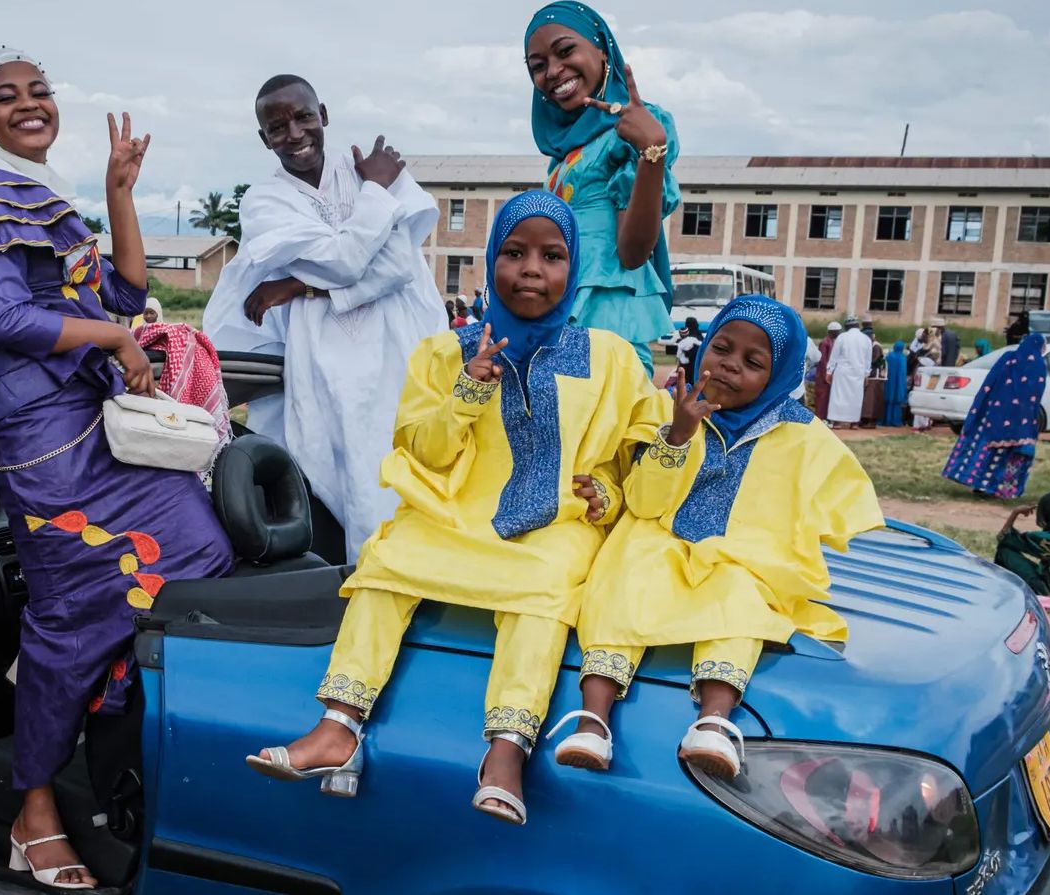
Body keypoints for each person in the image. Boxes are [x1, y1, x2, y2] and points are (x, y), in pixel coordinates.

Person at [246, 191, 663, 825]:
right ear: (491, 260)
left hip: (553, 528)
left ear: (573, 268)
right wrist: (469, 388)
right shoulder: (445, 352)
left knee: (546, 591)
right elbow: (425, 453)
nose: (531, 269)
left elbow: (626, 460)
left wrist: (603, 494)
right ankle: (338, 726)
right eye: (516, 253)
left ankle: (505, 751)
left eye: (552, 256)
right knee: (387, 561)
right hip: (454, 519)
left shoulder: (609, 360)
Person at [0, 47, 234, 888]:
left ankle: (100, 699)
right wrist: (116, 339)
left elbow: (125, 296)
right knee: (68, 611)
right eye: (5, 95)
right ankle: (34, 812)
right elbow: (6, 318)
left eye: (39, 91)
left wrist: (118, 193)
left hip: (88, 425)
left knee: (197, 550)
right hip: (44, 438)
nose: (29, 105)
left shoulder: (45, 198)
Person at [553, 293, 881, 779]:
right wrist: (678, 434)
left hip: (738, 558)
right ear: (703, 345)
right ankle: (593, 721)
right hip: (657, 539)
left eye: (752, 362)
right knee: (620, 584)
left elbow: (834, 495)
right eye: (722, 348)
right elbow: (643, 503)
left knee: (742, 604)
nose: (729, 367)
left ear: (780, 376)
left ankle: (713, 723)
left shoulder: (801, 435)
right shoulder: (668, 408)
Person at [201, 73, 446, 563]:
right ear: (263, 138)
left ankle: (418, 589)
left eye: (303, 116)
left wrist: (299, 285)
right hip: (324, 362)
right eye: (277, 126)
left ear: (324, 115)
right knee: (347, 482)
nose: (294, 133)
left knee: (411, 469)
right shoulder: (264, 201)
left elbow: (397, 267)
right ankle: (363, 597)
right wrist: (377, 194)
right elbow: (347, 262)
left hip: (397, 349)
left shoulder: (363, 170)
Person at [525, 1, 678, 375]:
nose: (554, 71)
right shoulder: (565, 155)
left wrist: (651, 153)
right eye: (538, 66)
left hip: (606, 323)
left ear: (602, 49)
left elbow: (632, 252)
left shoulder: (634, 129)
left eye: (565, 51)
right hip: (559, 312)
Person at [943, 334, 1047, 499]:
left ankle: (979, 485)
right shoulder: (1039, 365)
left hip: (994, 415)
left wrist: (982, 407)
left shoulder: (1008, 358)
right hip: (1021, 422)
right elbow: (1035, 394)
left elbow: (990, 382)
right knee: (1008, 455)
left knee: (986, 450)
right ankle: (1004, 490)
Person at [826, 315, 872, 428]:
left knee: (839, 396)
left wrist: (829, 371)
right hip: (858, 373)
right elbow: (868, 359)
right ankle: (854, 423)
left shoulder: (842, 337)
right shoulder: (866, 339)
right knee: (856, 397)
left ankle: (837, 422)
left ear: (846, 326)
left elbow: (834, 356)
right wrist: (867, 374)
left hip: (842, 372)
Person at [813, 320, 839, 414]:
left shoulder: (832, 341)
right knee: (822, 397)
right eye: (837, 331)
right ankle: (820, 417)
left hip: (827, 374)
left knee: (827, 397)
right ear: (832, 332)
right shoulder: (825, 343)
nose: (838, 333)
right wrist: (826, 374)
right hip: (823, 375)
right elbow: (823, 361)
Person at [882, 340, 908, 427]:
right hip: (899, 382)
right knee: (897, 400)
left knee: (888, 399)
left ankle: (886, 420)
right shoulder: (903, 358)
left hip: (889, 381)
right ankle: (895, 420)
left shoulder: (889, 356)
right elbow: (903, 372)